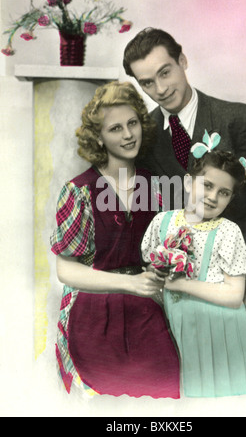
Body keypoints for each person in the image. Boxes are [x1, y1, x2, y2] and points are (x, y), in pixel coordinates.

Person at [123, 27, 246, 372]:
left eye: (165, 72)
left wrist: (242, 268)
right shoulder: (145, 136)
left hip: (241, 292)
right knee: (188, 395)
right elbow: (150, 210)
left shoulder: (238, 119)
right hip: (179, 298)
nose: (161, 89)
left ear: (183, 60)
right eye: (147, 83)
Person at [50, 81, 180, 399]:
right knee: (107, 402)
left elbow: (172, 250)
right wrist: (129, 284)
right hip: (93, 315)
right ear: (99, 137)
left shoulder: (160, 187)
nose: (127, 135)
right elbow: (66, 271)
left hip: (149, 312)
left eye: (132, 123)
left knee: (163, 392)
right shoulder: (79, 191)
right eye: (115, 128)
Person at [141, 138, 246, 397]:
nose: (212, 197)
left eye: (224, 192)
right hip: (174, 325)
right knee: (177, 398)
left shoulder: (228, 231)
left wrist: (181, 284)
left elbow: (233, 297)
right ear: (188, 182)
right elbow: (150, 271)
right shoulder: (162, 221)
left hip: (219, 329)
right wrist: (158, 275)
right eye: (207, 185)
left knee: (214, 401)